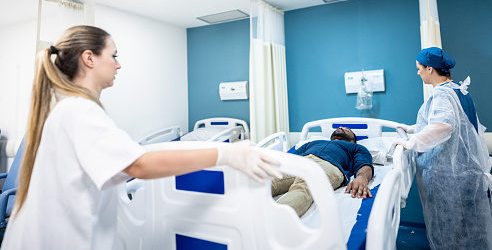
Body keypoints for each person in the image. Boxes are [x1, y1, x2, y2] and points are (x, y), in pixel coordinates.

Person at [1, 25, 282, 250]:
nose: (118, 65)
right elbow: (139, 165)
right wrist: (228, 154)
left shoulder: (63, 108)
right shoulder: (79, 111)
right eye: (113, 56)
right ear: (89, 58)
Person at [393, 47, 492, 250]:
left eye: (419, 68)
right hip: (465, 172)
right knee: (470, 229)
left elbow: (443, 126)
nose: (417, 73)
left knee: (451, 230)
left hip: (449, 177)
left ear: (430, 69)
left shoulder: (442, 95)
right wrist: (413, 129)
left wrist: (411, 142)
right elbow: (452, 124)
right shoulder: (457, 89)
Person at [271, 126, 373, 217]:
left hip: (329, 165)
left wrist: (361, 178)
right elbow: (289, 158)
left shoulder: (356, 147)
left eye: (347, 130)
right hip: (300, 163)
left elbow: (364, 164)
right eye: (339, 128)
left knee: (304, 186)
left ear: (353, 140)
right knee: (269, 178)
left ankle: (274, 219)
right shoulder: (312, 143)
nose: (341, 128)